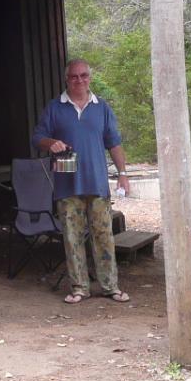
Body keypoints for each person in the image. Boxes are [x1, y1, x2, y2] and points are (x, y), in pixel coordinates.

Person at [32, 58, 131, 304]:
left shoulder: (102, 108)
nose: (79, 80)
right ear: (67, 79)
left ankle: (110, 286)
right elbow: (37, 137)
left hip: (97, 183)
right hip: (67, 185)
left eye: (83, 75)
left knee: (104, 236)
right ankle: (79, 288)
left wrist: (123, 174)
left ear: (89, 78)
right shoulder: (55, 108)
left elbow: (114, 143)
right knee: (72, 238)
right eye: (74, 76)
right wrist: (49, 143)